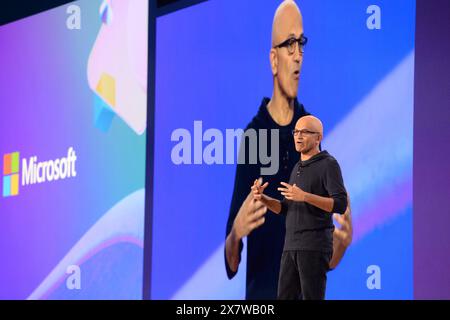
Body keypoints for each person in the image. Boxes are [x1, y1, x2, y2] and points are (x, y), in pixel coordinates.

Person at [224, 0, 352, 299]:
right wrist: (236, 233)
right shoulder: (253, 136)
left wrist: (342, 244)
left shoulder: (313, 138)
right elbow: (232, 260)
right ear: (273, 59)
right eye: (289, 44)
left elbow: (320, 261)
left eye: (301, 43)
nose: (298, 56)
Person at [252, 115, 347, 299]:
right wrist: (263, 198)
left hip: (314, 246)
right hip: (290, 247)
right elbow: (285, 208)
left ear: (318, 137)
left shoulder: (329, 164)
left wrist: (304, 196)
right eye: (296, 132)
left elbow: (340, 204)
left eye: (305, 132)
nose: (298, 136)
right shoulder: (297, 167)